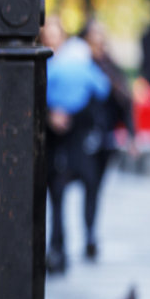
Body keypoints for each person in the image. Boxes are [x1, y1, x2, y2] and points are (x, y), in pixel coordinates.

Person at [43, 17, 110, 275]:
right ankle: (58, 248)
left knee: (84, 189)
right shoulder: (53, 65)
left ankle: (85, 237)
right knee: (56, 197)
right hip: (55, 144)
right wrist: (52, 115)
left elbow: (102, 97)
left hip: (76, 141)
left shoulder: (78, 64)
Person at [78, 21, 134, 261]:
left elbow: (126, 103)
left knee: (94, 189)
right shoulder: (79, 65)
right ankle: (75, 236)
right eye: (94, 37)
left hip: (105, 138)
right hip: (81, 136)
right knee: (84, 184)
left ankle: (90, 234)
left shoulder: (111, 68)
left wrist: (132, 136)